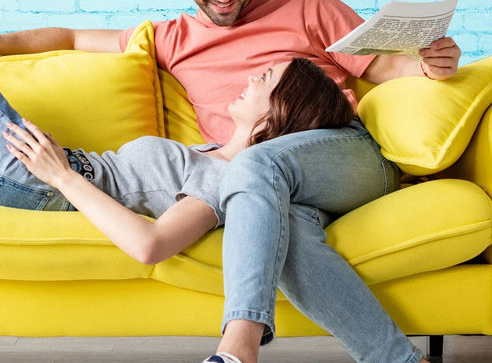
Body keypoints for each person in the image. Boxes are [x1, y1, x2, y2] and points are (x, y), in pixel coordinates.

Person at [0, 0, 492, 363]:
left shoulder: (305, 5)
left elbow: (387, 67)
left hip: (338, 152)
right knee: (282, 222)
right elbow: (68, 37)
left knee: (253, 167)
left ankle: (237, 360)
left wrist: (431, 66)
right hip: (255, 183)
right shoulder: (173, 38)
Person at [1, 58, 352, 265]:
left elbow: (150, 245)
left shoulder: (227, 177)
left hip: (45, 182)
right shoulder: (214, 152)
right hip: (48, 168)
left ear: (283, 110)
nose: (252, 77)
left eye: (266, 78)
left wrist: (61, 176)